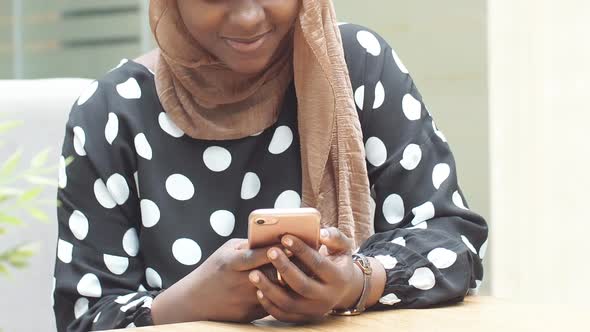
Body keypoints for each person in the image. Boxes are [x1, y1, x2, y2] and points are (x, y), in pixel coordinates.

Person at [52, 0, 488, 330]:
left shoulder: (357, 68)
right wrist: (191, 304)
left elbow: (454, 243)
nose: (247, 18)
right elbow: (86, 315)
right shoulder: (112, 113)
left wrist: (355, 281)